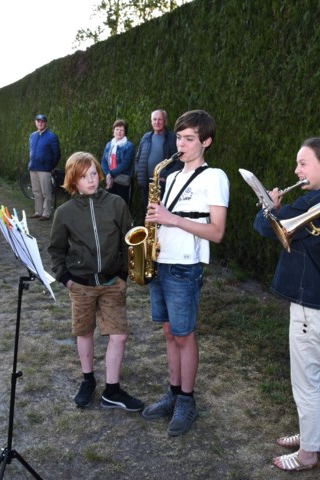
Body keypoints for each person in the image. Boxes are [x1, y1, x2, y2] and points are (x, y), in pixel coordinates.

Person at [252, 137, 320, 471]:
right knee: (308, 375)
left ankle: (309, 453)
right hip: (319, 297)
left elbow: (265, 229)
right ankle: (312, 434)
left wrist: (271, 206)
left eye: (303, 163)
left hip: (314, 300)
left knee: (305, 377)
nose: (297, 170)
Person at [141, 110, 229, 436]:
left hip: (185, 266)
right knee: (168, 333)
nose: (181, 144)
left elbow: (217, 231)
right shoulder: (172, 175)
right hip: (161, 261)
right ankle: (173, 393)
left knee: (184, 334)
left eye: (189, 138)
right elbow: (164, 216)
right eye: (179, 137)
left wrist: (171, 218)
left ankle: (187, 401)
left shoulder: (215, 177)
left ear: (206, 141)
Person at [47, 151, 145, 412]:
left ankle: (112, 390)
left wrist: (124, 275)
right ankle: (88, 380)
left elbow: (129, 241)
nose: (91, 180)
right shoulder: (64, 212)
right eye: (83, 176)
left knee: (120, 335)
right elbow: (56, 249)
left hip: (113, 282)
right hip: (81, 285)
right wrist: (66, 279)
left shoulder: (116, 204)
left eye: (93, 174)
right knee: (84, 332)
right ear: (72, 181)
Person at [134, 109, 182, 207]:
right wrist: (138, 173)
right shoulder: (146, 137)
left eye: (160, 119)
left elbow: (180, 161)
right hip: (146, 183)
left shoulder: (173, 138)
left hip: (163, 184)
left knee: (163, 214)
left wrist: (167, 176)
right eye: (154, 119)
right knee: (149, 214)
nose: (157, 122)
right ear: (151, 121)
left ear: (165, 121)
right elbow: (137, 159)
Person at [100, 119, 135, 205]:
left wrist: (110, 174)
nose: (119, 132)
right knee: (110, 203)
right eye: (117, 129)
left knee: (122, 204)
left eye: (122, 130)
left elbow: (125, 164)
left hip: (122, 180)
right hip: (110, 179)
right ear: (113, 131)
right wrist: (108, 174)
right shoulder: (109, 144)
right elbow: (104, 161)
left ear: (125, 132)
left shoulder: (129, 146)